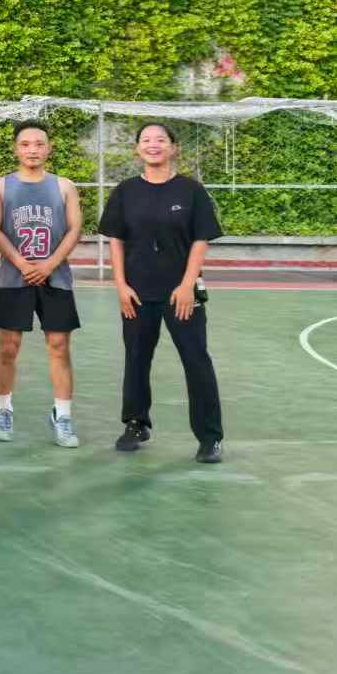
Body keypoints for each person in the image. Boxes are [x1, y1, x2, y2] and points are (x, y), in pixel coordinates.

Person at [101, 122, 224, 464]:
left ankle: (210, 437)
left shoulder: (191, 190)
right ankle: (136, 423)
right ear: (137, 149)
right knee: (136, 358)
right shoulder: (125, 191)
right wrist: (121, 285)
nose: (152, 145)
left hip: (180, 293)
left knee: (196, 360)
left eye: (160, 140)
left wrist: (186, 285)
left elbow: (200, 239)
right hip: (138, 292)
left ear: (173, 147)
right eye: (145, 140)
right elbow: (116, 240)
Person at [0, 122, 84, 449]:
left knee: (59, 345)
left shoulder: (64, 186)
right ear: (16, 149)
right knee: (8, 346)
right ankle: (4, 409)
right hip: (15, 277)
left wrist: (50, 264)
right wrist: (22, 263)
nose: (33, 150)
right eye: (25, 144)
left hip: (56, 277)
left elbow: (75, 228)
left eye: (39, 144)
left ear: (49, 148)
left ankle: (63, 415)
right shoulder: (0, 186)